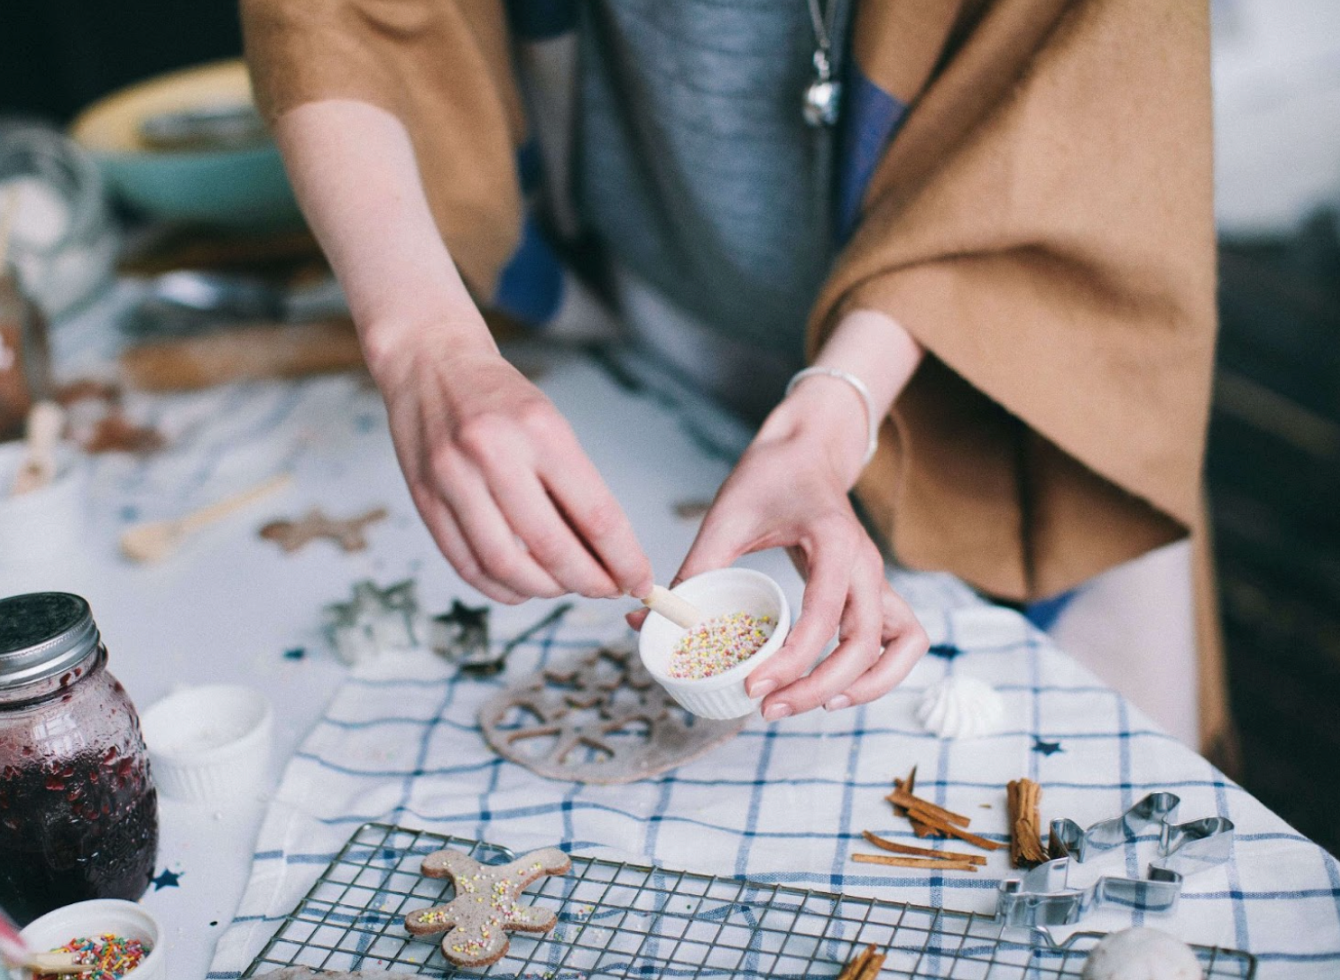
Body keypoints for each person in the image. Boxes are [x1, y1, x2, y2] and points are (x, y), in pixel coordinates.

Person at [239, 0, 1231, 759]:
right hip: (658, 312)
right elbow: (337, 22)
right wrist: (422, 339)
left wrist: (831, 412)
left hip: (1000, 368)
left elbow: (1079, 107)